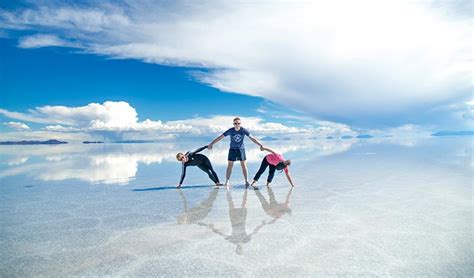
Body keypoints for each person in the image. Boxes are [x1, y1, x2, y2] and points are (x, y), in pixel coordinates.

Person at [208, 117, 263, 187]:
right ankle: (227, 181)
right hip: (232, 149)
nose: (237, 125)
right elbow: (220, 137)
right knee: (230, 165)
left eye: (238, 123)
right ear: (233, 124)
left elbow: (252, 138)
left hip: (241, 149)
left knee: (243, 164)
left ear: (240, 124)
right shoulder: (230, 130)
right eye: (235, 123)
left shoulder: (243, 130)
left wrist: (260, 145)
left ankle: (246, 181)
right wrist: (211, 144)